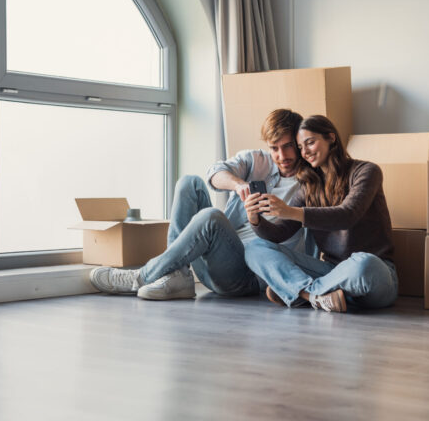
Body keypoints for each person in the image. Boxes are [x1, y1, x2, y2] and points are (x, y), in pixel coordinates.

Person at [89, 109, 307, 300]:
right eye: (274, 148)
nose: (281, 155)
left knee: (212, 217)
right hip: (216, 260)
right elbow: (214, 173)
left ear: (298, 142)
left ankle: (141, 276)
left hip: (248, 276)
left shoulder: (310, 183)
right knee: (189, 183)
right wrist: (239, 185)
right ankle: (179, 276)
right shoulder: (259, 160)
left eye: (288, 146)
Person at [243, 115, 398, 313]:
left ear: (331, 138)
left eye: (310, 143)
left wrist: (291, 211)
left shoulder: (366, 171)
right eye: (300, 147)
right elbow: (278, 233)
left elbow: (347, 215)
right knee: (255, 247)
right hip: (330, 272)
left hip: (371, 275)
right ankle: (315, 296)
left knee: (364, 262)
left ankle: (301, 293)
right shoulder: (309, 187)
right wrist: (255, 219)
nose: (305, 152)